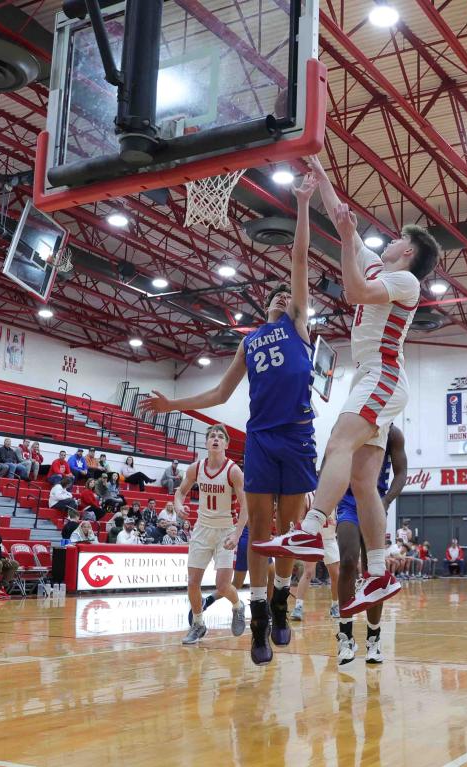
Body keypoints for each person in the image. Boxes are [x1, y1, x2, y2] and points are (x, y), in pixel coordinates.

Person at [140, 175, 320, 665]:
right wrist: (173, 405)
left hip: (297, 437)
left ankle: (280, 601)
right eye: (275, 296)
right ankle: (260, 618)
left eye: (287, 295)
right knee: (261, 530)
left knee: (291, 528)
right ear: (265, 306)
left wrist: (303, 203)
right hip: (261, 439)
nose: (282, 297)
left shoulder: (299, 327)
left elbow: (300, 259)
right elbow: (220, 393)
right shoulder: (250, 341)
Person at [262, 158, 440, 626]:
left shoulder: (406, 280)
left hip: (382, 374)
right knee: (363, 481)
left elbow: (355, 292)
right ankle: (379, 572)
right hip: (372, 377)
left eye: (399, 238)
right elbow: (340, 213)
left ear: (408, 251)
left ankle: (310, 526)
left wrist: (345, 239)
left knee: (338, 443)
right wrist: (319, 170)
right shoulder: (382, 265)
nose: (391, 239)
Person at [334, 423, 408, 664]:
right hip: (347, 501)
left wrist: (385, 501)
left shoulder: (393, 433)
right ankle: (345, 636)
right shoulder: (349, 422)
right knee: (347, 561)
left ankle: (373, 639)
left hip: (374, 502)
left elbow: (401, 473)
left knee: (374, 572)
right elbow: (330, 461)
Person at [176, 425, 248, 645]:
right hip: (202, 529)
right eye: (212, 436)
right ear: (206, 442)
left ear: (226, 443)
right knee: (192, 582)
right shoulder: (196, 468)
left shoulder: (233, 471)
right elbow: (180, 492)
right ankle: (198, 623)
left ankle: (238, 606)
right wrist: (178, 505)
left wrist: (236, 535)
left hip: (225, 530)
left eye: (220, 437)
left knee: (222, 586)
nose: (215, 439)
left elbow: (245, 505)